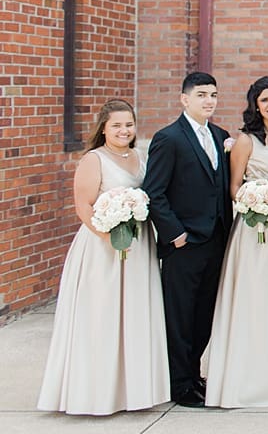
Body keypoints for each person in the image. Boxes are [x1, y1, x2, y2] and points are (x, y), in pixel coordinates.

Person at [37, 100, 170, 415]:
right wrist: (110, 237)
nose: (124, 131)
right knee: (102, 318)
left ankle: (132, 391)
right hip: (102, 251)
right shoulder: (93, 160)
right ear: (103, 128)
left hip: (138, 248)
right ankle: (95, 392)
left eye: (128, 125)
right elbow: (83, 207)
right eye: (116, 125)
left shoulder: (141, 157)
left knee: (135, 316)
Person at [205, 77, 268, 407]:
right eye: (264, 100)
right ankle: (247, 375)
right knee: (255, 295)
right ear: (255, 106)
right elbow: (234, 187)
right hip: (256, 230)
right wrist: (255, 204)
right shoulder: (247, 141)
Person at [143, 72, 232, 408]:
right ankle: (180, 384)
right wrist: (175, 234)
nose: (209, 100)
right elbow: (154, 192)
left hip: (216, 239)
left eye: (213, 94)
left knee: (204, 314)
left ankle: (194, 374)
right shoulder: (169, 138)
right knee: (180, 314)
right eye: (201, 95)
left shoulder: (220, 135)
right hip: (184, 243)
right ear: (184, 99)